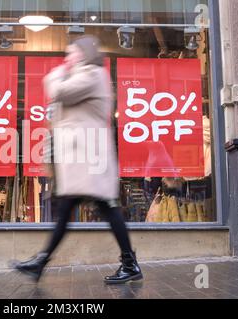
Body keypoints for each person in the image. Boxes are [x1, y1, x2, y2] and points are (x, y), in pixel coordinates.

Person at [12, 36, 143, 284]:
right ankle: (42, 262)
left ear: (84, 54)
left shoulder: (92, 75)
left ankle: (129, 263)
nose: (67, 59)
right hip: (82, 157)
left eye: (71, 54)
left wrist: (56, 73)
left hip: (89, 157)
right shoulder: (86, 75)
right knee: (74, 210)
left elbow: (60, 91)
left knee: (104, 208)